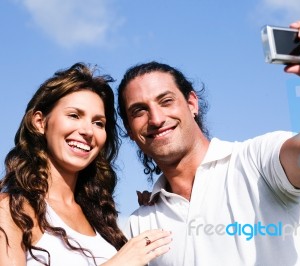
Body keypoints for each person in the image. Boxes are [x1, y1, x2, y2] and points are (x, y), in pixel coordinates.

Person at [117, 21, 300, 265]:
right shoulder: (140, 225)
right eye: (139, 111)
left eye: (166, 101)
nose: (156, 119)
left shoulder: (257, 161)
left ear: (192, 103)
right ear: (129, 130)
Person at [0, 63, 172, 266]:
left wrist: (153, 211)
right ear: (40, 122)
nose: (88, 131)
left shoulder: (100, 218)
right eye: (74, 115)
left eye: (98, 123)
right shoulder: (10, 210)